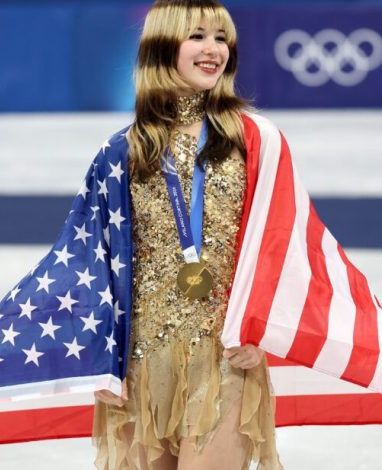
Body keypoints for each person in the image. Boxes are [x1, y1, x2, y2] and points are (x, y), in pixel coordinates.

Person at [91, 1, 283, 469]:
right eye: (197, 36)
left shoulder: (255, 141)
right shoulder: (122, 151)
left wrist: (258, 325)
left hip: (227, 353)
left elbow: (280, 243)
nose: (213, 49)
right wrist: (102, 355)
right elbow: (94, 258)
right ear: (162, 44)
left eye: (221, 38)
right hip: (142, 357)